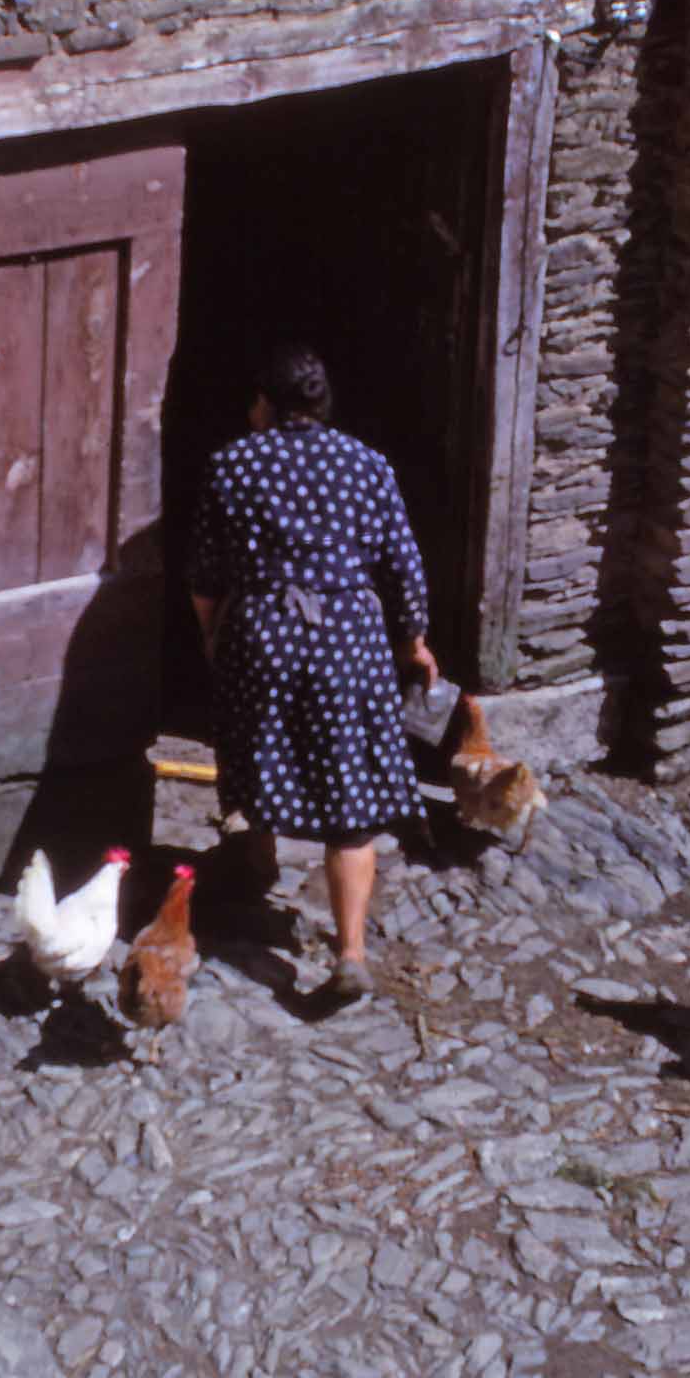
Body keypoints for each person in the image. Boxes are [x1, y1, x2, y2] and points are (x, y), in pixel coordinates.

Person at [188, 343, 438, 1001]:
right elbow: (403, 564)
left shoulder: (233, 463)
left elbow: (207, 572)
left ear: (265, 405)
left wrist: (213, 632)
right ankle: (350, 953)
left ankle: (257, 859)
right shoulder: (367, 465)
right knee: (349, 789)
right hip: (348, 635)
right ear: (322, 405)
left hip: (264, 626)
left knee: (258, 741)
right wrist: (414, 640)